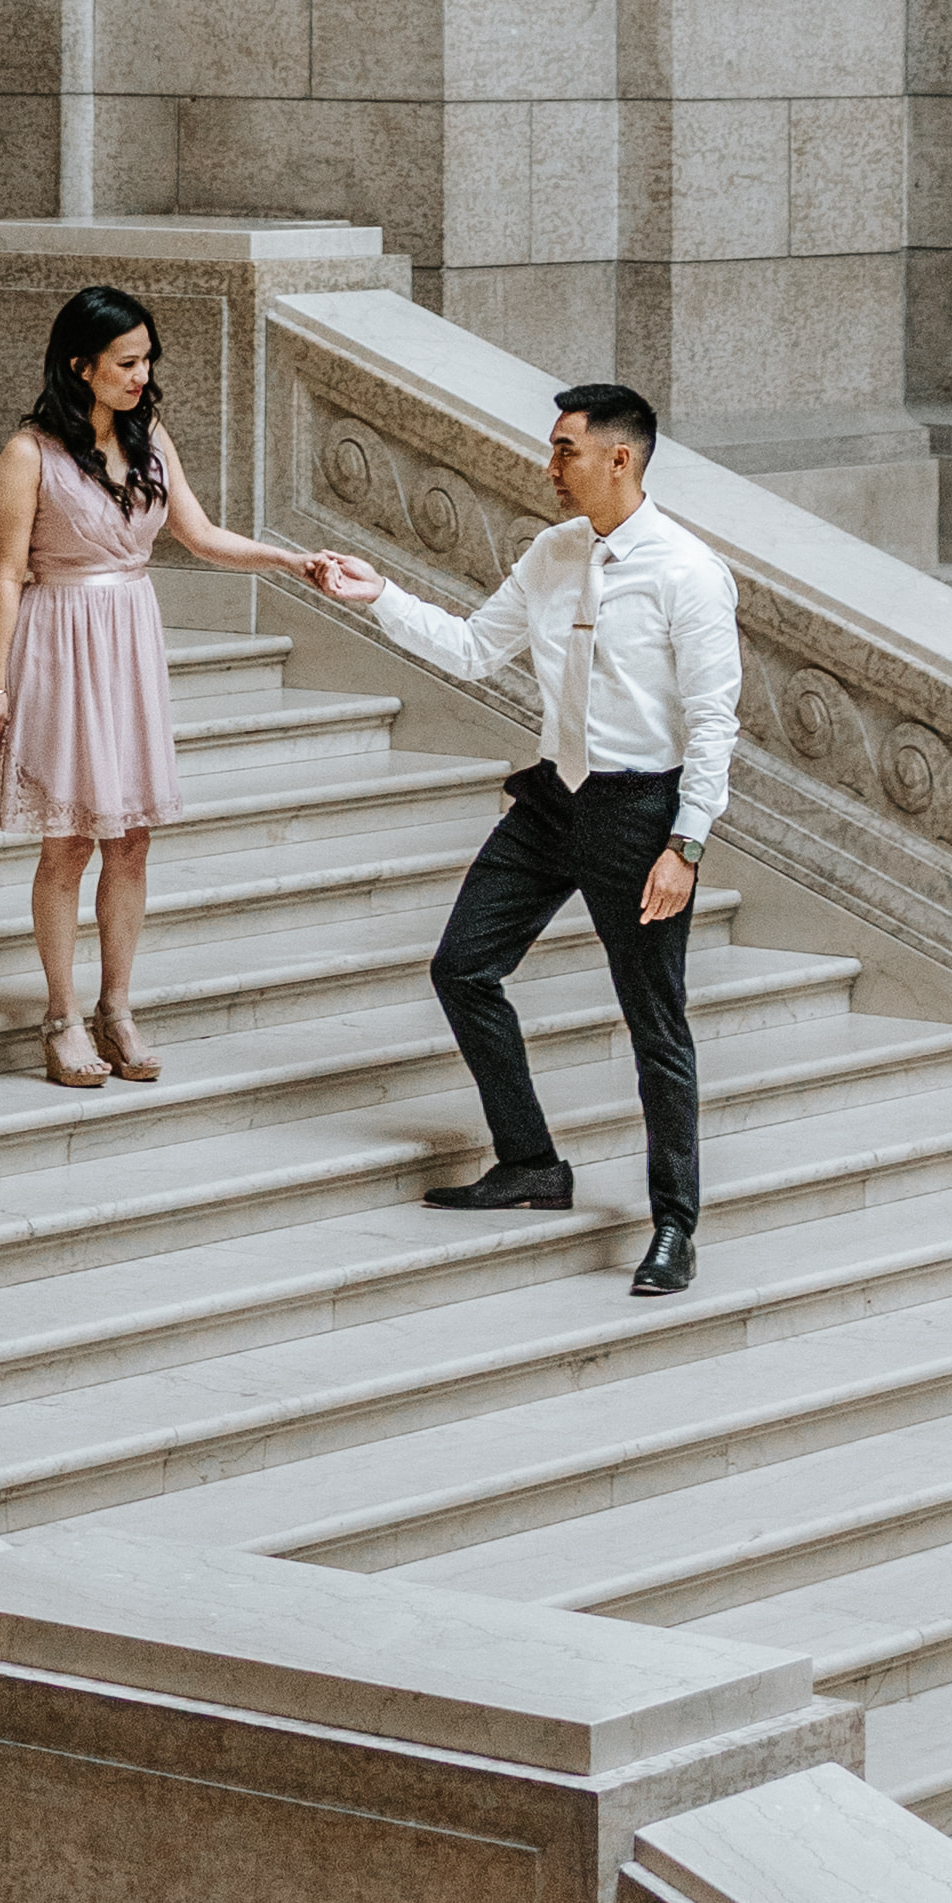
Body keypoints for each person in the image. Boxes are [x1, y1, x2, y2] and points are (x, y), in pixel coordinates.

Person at [307, 383, 740, 1297]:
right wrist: (380, 594)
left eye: (563, 450)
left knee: (655, 1025)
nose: (549, 468)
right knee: (462, 966)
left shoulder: (688, 573)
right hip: (553, 800)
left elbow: (713, 721)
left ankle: (674, 1224)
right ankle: (530, 1162)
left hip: (640, 815)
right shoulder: (552, 553)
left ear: (618, 457)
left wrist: (686, 844)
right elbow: (472, 649)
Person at [0, 283, 326, 1087]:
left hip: (130, 638)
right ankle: (61, 1015)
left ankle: (117, 1008)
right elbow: (5, 575)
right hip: (60, 643)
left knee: (131, 839)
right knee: (67, 838)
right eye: (126, 362)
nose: (142, 375)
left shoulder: (150, 436)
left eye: (146, 360)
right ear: (80, 365)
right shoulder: (28, 453)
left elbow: (199, 535)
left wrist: (289, 559)